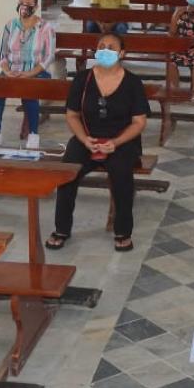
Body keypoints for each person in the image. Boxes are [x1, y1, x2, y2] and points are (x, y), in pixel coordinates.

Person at [46, 33, 150, 253]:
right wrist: (84, 139)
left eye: (111, 47)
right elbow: (72, 114)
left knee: (122, 175)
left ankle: (123, 231)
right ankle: (62, 228)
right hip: (87, 137)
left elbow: (139, 122)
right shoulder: (83, 79)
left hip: (122, 140)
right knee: (67, 175)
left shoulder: (132, 82)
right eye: (101, 46)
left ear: (122, 53)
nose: (105, 50)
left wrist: (115, 142)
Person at [0, 0, 56, 150]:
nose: (24, 7)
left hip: (37, 72)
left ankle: (33, 134)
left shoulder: (45, 27)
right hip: (12, 70)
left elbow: (49, 57)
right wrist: (7, 70)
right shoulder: (11, 25)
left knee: (28, 91)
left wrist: (29, 74)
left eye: (28, 4)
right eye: (21, 3)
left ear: (36, 7)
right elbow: (3, 53)